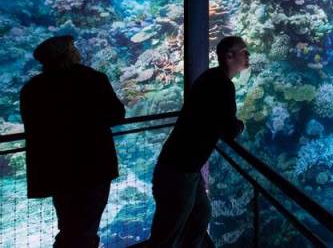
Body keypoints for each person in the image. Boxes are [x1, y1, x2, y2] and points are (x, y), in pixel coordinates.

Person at [20, 35, 125, 247]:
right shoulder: (93, 79)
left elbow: (33, 128)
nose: (76, 49)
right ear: (67, 54)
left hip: (57, 169)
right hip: (94, 165)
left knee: (68, 225)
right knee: (87, 225)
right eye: (72, 47)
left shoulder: (33, 88)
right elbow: (117, 115)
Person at [149, 36, 248, 247]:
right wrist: (241, 125)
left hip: (182, 167)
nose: (248, 55)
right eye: (244, 51)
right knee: (168, 231)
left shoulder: (210, 77)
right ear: (229, 56)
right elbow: (229, 129)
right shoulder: (222, 85)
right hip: (180, 170)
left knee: (201, 215)